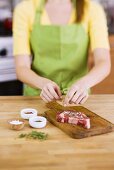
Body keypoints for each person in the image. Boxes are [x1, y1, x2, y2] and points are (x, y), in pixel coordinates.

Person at [13, 0, 111, 105]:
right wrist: (42, 83)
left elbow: (103, 61)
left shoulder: (92, 9)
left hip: (77, 99)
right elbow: (21, 67)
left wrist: (84, 84)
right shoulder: (25, 9)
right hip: (37, 97)